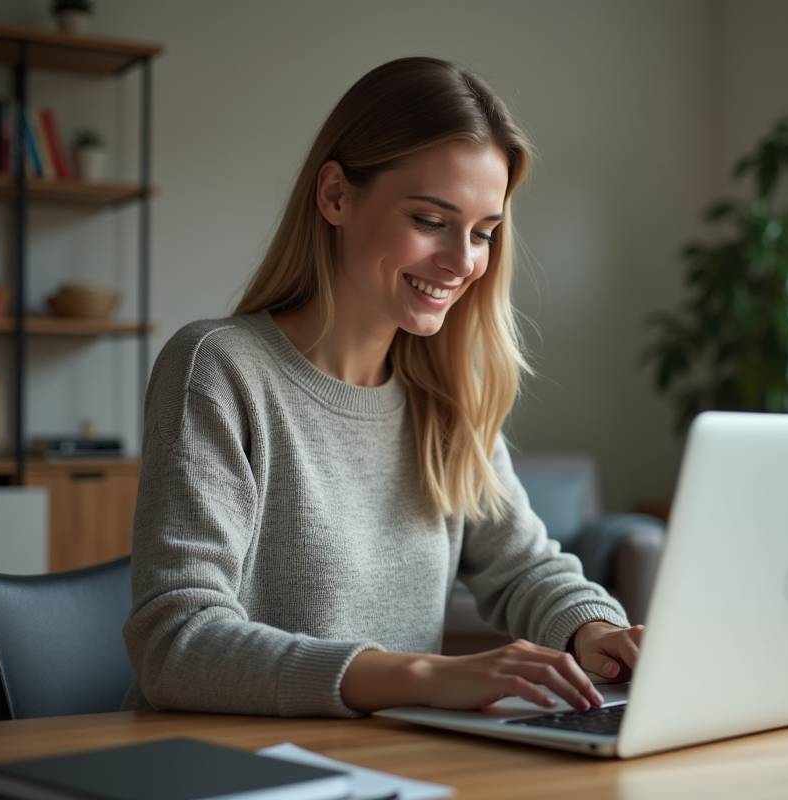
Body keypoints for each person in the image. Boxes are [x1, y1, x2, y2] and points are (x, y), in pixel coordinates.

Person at [122, 56, 643, 719]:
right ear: (336, 195)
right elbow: (177, 646)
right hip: (228, 767)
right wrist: (423, 676)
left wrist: (597, 632)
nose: (463, 262)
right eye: (431, 220)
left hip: (388, 765)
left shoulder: (444, 394)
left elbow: (524, 566)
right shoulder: (220, 370)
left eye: (484, 233)